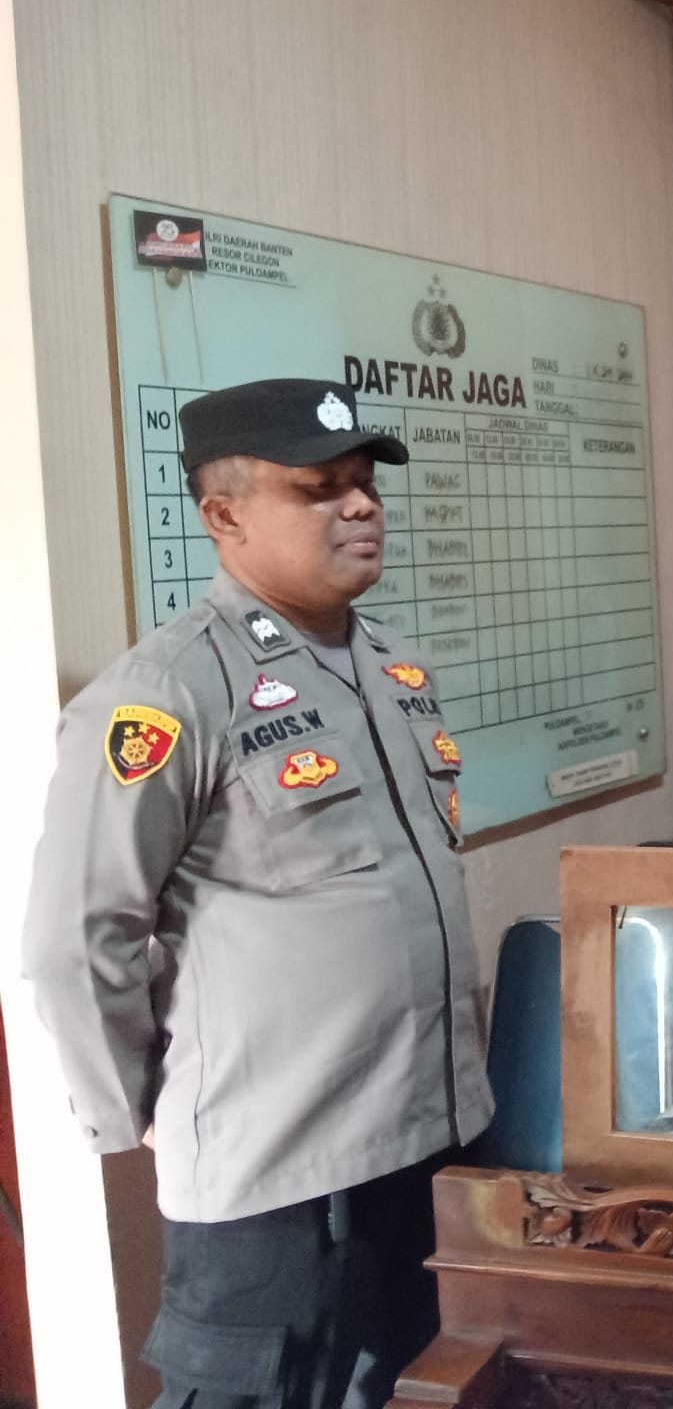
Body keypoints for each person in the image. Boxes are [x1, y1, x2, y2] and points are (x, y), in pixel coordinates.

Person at [22, 378, 492, 1409]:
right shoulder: (167, 692)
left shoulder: (392, 669)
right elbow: (77, 937)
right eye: (319, 488)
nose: (360, 507)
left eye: (366, 484)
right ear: (223, 515)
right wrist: (135, 1113)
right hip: (280, 1183)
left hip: (431, 1142)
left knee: (425, 1387)